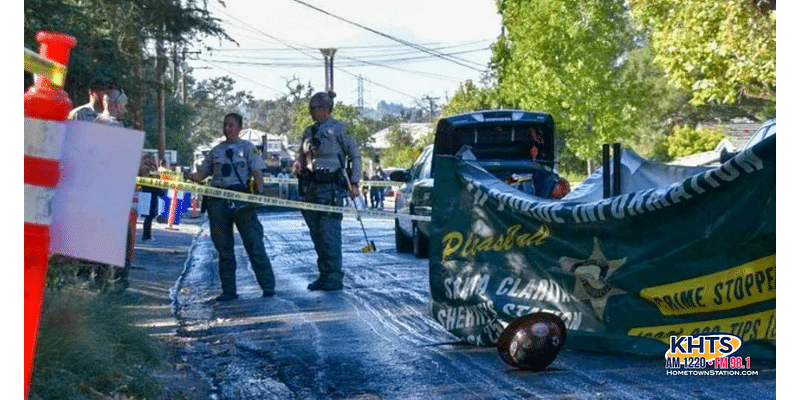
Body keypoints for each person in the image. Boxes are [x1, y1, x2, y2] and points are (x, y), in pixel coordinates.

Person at [184, 113, 276, 301]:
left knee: (254, 244)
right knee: (223, 248)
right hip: (218, 201)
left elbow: (257, 172)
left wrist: (258, 195)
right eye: (225, 125)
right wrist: (189, 176)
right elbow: (201, 174)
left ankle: (268, 286)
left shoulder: (249, 149)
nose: (227, 128)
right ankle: (229, 290)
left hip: (242, 200)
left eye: (231, 125)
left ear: (239, 127)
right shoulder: (215, 151)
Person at [295, 91, 361, 291]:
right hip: (310, 188)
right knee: (316, 233)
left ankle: (334, 275)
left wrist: (355, 183)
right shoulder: (308, 132)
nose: (311, 113)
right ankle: (323, 274)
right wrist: (297, 165)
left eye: (313, 109)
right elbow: (301, 154)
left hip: (331, 188)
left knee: (329, 233)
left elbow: (355, 156)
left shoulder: (340, 130)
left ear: (324, 109)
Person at [138, 153, 162, 242]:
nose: (154, 160)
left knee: (151, 214)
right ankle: (146, 235)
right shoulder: (143, 167)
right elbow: (146, 179)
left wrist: (155, 166)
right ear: (147, 159)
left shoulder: (152, 167)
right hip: (147, 192)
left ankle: (148, 234)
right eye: (153, 158)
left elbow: (158, 177)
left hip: (153, 192)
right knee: (148, 215)